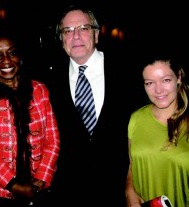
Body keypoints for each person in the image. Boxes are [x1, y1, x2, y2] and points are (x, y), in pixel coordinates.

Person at [46, 3, 130, 206]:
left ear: (97, 35)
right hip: (68, 193)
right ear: (61, 38)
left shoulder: (128, 71)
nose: (76, 36)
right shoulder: (47, 80)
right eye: (68, 31)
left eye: (83, 29)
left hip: (120, 191)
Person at [0, 29, 60, 207]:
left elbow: (52, 141)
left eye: (12, 53)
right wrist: (15, 186)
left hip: (40, 189)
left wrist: (41, 178)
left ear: (21, 58)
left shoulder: (40, 90)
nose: (6, 61)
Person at [125, 56, 189, 207]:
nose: (158, 90)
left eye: (165, 80)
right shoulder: (135, 119)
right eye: (149, 83)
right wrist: (129, 190)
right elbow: (132, 166)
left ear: (178, 77)